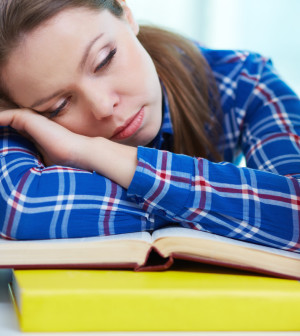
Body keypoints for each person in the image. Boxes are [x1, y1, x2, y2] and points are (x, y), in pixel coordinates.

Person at [0, 0, 299, 253]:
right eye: (59, 107)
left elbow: (295, 210)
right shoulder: (17, 111)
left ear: (126, 13)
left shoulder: (244, 81)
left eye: (105, 60)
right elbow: (19, 204)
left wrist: (93, 151)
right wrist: (231, 211)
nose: (103, 107)